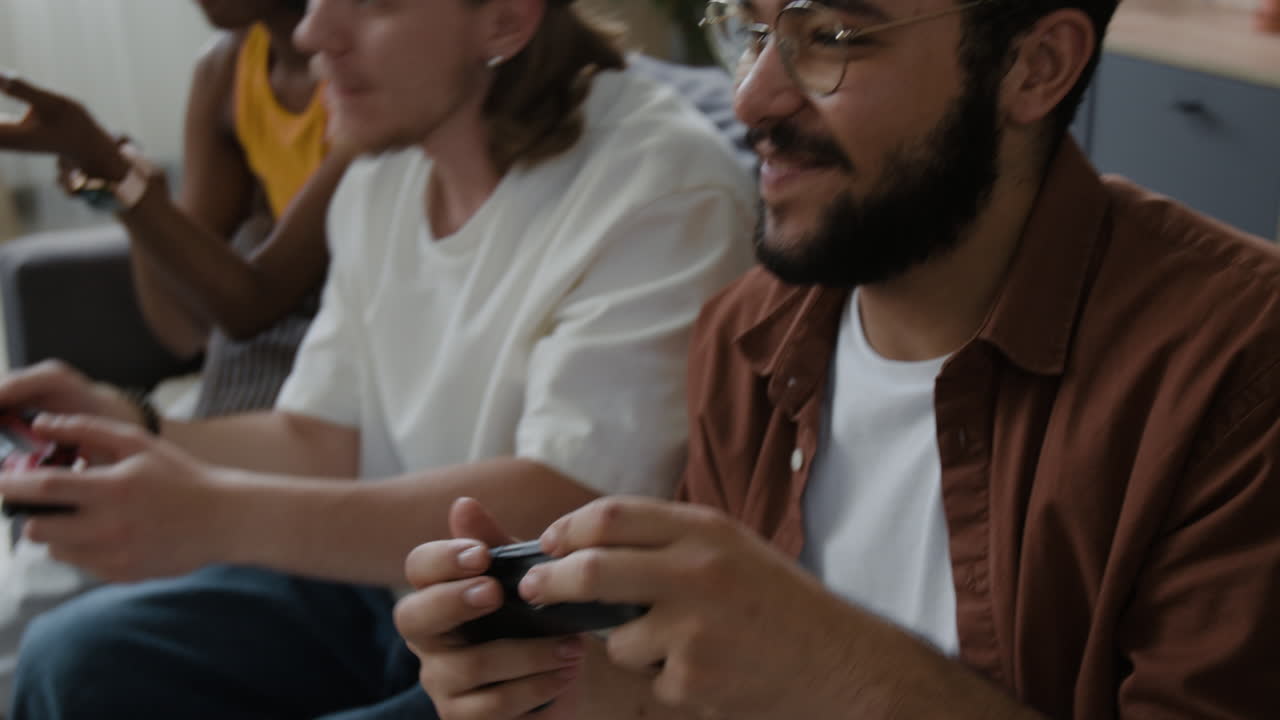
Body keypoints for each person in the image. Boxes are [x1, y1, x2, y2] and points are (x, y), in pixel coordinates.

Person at [396, 0, 1280, 718]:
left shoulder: (1239, 368)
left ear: (1034, 66)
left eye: (832, 37)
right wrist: (593, 697)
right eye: (750, 30)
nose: (751, 98)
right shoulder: (748, 332)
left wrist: (836, 667)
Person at [0, 0, 754, 717]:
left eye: (373, 1)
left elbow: (567, 498)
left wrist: (216, 516)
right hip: (390, 591)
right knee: (69, 661)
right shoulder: (382, 166)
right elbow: (321, 436)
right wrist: (131, 422)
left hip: (541, 648)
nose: (312, 32)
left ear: (505, 18)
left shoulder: (662, 181)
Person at [0, 0, 346, 417]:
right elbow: (183, 328)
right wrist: (126, 184)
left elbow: (254, 306)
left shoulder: (360, 79)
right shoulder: (226, 68)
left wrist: (115, 172)